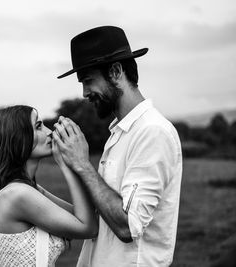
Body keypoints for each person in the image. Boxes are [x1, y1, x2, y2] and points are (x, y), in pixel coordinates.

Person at [54, 26, 183, 266]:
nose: (84, 93)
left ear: (115, 71)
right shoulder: (121, 132)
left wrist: (82, 164)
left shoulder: (152, 132)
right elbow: (102, 214)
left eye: (88, 81)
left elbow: (127, 227)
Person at [0, 105, 98, 267]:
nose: (49, 132)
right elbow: (89, 228)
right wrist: (69, 165)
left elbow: (84, 217)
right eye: (38, 126)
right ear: (17, 138)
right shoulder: (18, 194)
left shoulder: (26, 189)